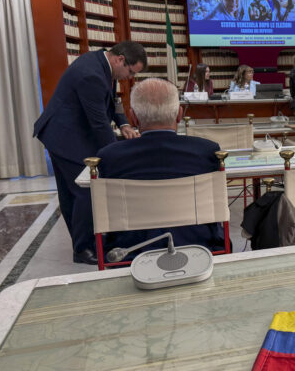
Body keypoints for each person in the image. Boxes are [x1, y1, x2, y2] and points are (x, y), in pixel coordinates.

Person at [33, 41, 145, 265]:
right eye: (131, 72)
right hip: (65, 136)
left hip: (65, 132)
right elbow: (99, 125)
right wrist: (117, 154)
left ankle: (83, 240)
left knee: (70, 192)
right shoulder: (91, 75)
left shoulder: (103, 64)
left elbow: (111, 101)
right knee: (85, 190)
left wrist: (123, 124)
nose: (129, 78)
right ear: (120, 59)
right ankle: (83, 248)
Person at [96, 78, 226, 255]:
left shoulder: (108, 157)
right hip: (200, 245)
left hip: (130, 251)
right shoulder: (207, 151)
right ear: (179, 114)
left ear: (132, 116)